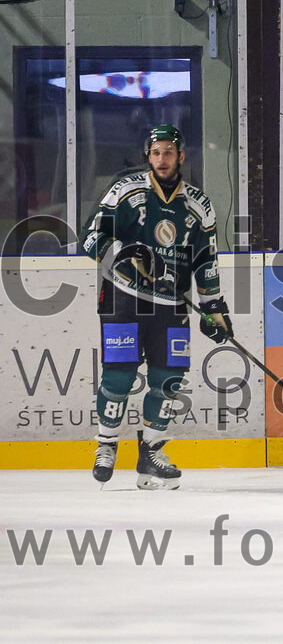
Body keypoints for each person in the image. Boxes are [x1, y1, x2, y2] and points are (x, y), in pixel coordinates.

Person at [81, 124, 233, 489]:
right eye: (155, 153)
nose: (162, 159)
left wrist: (214, 307)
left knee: (167, 380)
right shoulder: (126, 191)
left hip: (170, 304)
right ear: (147, 157)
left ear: (181, 156)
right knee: (119, 376)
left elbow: (205, 261)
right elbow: (90, 238)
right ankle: (106, 446)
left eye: (168, 152)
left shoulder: (199, 205)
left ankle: (150, 452)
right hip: (123, 297)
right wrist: (129, 252)